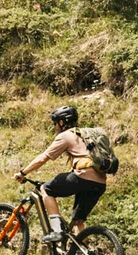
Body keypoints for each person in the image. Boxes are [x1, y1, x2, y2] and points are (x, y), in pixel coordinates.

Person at [15, 105, 108, 247]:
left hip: (83, 176)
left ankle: (57, 231)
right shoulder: (85, 135)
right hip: (100, 182)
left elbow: (43, 158)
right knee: (78, 221)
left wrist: (23, 173)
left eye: (55, 123)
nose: (55, 126)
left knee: (47, 188)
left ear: (62, 122)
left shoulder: (66, 136)